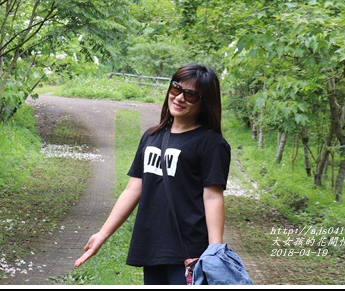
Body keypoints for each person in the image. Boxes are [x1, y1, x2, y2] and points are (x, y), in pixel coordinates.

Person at [73, 64, 231, 285]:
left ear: (205, 102)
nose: (179, 98)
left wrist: (213, 253)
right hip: (152, 247)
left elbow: (213, 197)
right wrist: (102, 235)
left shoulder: (212, 144)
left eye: (191, 95)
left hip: (190, 253)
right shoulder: (151, 136)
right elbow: (133, 189)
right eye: (176, 89)